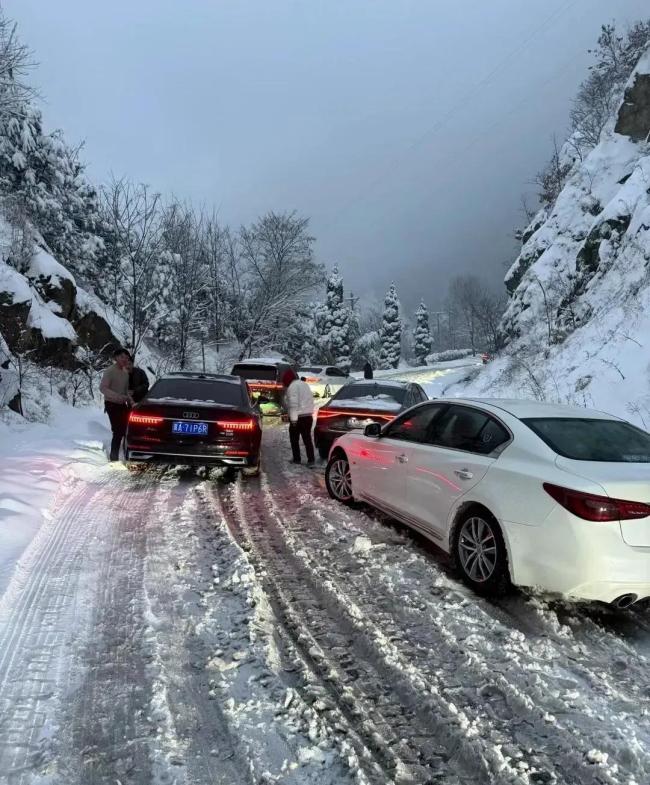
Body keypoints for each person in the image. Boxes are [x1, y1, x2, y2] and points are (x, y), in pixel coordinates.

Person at [100, 347, 133, 461]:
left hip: (122, 404)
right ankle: (114, 458)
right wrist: (117, 396)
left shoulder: (125, 373)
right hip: (111, 404)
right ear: (116, 358)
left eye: (126, 358)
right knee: (118, 430)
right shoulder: (110, 371)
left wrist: (130, 401)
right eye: (122, 357)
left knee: (126, 429)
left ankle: (125, 454)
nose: (124, 360)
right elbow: (103, 388)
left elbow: (125, 391)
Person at [282, 368, 315, 464]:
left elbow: (293, 404)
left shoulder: (292, 387)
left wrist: (292, 419)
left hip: (298, 417)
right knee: (307, 439)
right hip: (308, 416)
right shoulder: (304, 384)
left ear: (288, 380)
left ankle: (297, 459)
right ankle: (311, 460)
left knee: (294, 439)